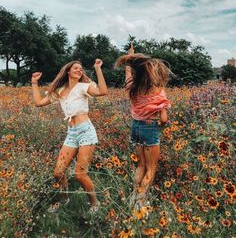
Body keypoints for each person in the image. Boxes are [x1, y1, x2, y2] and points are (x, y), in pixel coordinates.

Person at [31, 59, 108, 213]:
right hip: (71, 134)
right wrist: (34, 83)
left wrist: (98, 69)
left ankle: (94, 204)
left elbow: (102, 92)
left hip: (86, 131)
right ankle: (64, 198)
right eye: (75, 68)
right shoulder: (60, 91)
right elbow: (38, 103)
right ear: (68, 71)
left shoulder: (84, 87)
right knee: (58, 173)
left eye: (81, 69)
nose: (79, 70)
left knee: (80, 175)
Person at [115, 44, 171, 207]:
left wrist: (129, 58)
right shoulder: (157, 88)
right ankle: (141, 201)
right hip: (150, 127)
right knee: (151, 168)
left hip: (136, 127)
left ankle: (134, 196)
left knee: (140, 165)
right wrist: (161, 122)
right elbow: (165, 119)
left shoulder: (131, 86)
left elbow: (128, 73)